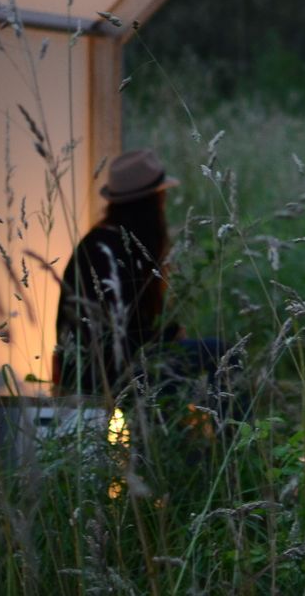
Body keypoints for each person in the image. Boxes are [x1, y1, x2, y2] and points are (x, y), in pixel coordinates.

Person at [53, 148, 245, 424]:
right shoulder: (107, 250)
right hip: (103, 373)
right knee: (223, 354)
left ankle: (203, 448)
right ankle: (234, 447)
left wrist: (167, 335)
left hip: (100, 367)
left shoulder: (107, 243)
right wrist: (167, 336)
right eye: (161, 198)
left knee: (205, 359)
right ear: (152, 203)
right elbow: (120, 333)